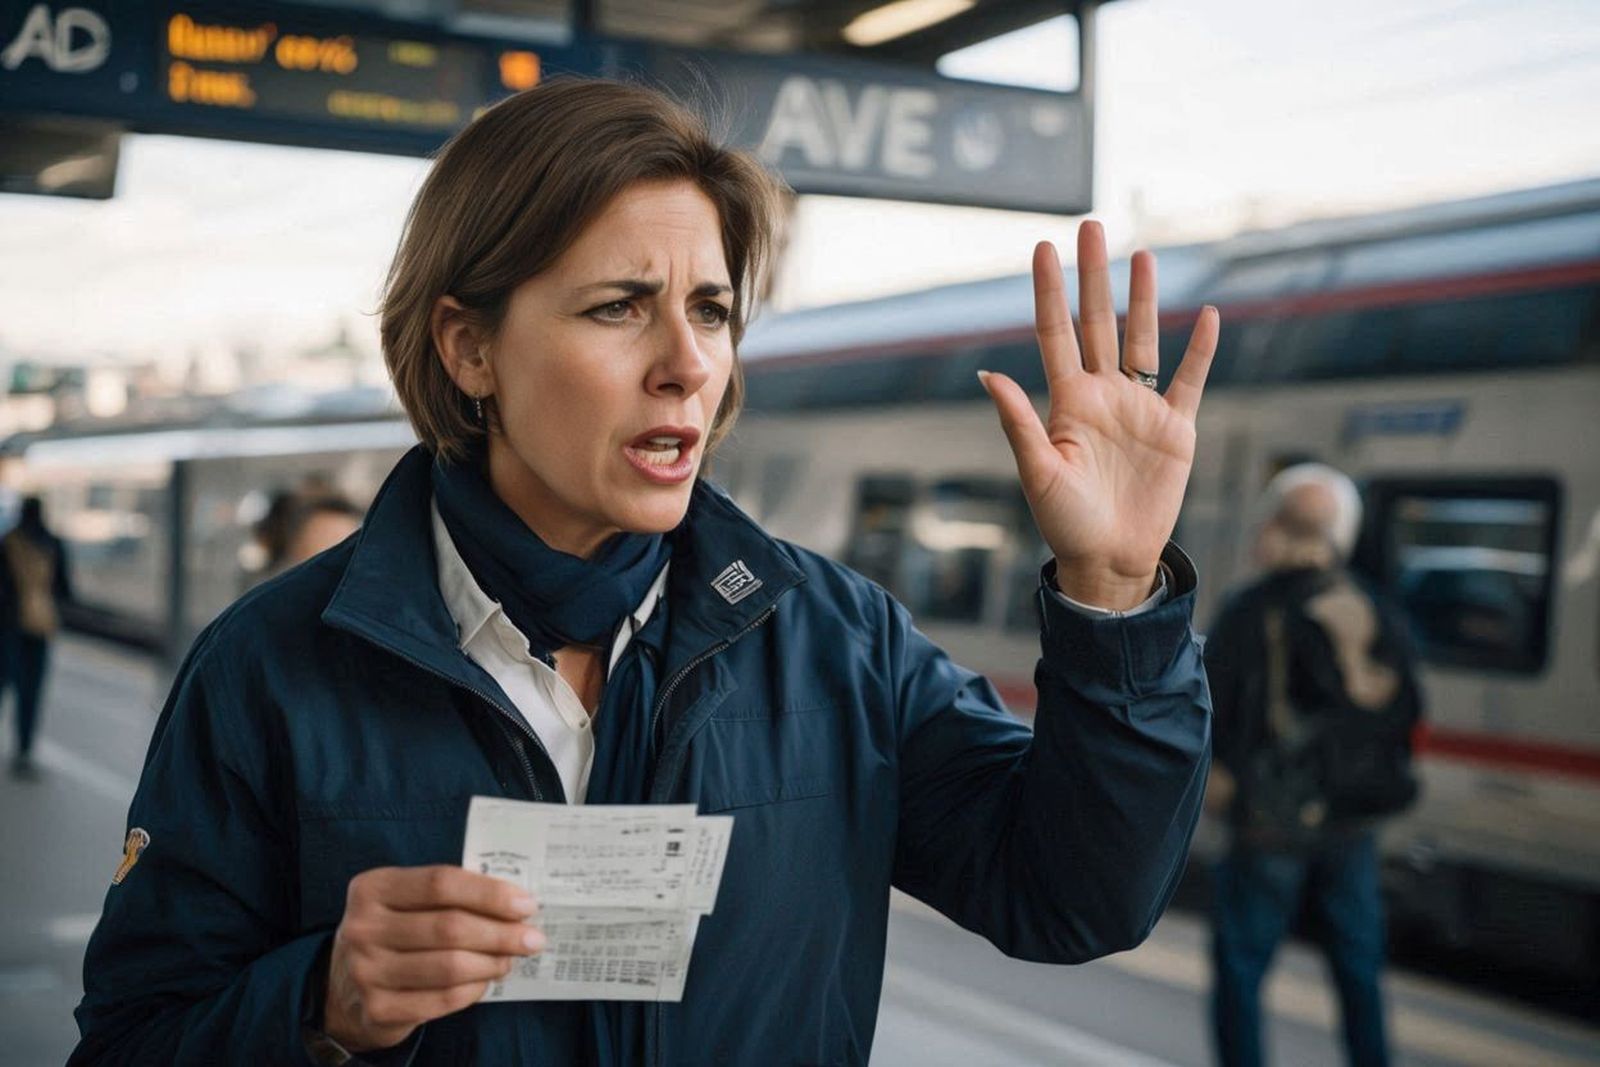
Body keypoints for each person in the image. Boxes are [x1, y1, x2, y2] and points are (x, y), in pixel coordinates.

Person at [71, 78, 1221, 1066]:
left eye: (711, 310)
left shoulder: (833, 640)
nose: (686, 364)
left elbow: (1072, 896)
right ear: (468, 346)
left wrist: (1116, 593)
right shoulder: (271, 668)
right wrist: (319, 1007)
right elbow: (129, 1038)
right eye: (621, 306)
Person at [1203, 464, 1423, 1067]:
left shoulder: (1251, 607)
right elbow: (1407, 710)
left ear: (1276, 526)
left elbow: (1211, 702)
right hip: (1352, 822)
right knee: (1358, 967)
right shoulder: (1375, 607)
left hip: (1269, 818)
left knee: (1243, 966)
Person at [1, 495, 73, 780]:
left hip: (8, 628)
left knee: (7, 684)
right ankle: (24, 751)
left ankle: (23, 750)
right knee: (31, 691)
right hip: (40, 627)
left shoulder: (8, 543)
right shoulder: (53, 544)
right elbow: (66, 589)